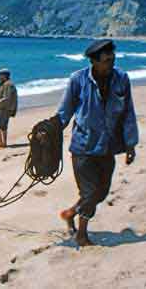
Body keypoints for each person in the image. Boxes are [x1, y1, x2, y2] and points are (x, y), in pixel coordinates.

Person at [56, 40, 138, 246]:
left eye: (112, 59)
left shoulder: (121, 79)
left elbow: (128, 112)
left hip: (108, 146)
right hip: (83, 145)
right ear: (93, 61)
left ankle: (70, 213)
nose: (111, 64)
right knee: (90, 192)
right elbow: (65, 111)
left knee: (102, 192)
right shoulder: (78, 80)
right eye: (106, 60)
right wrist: (50, 131)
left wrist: (131, 144)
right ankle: (82, 234)